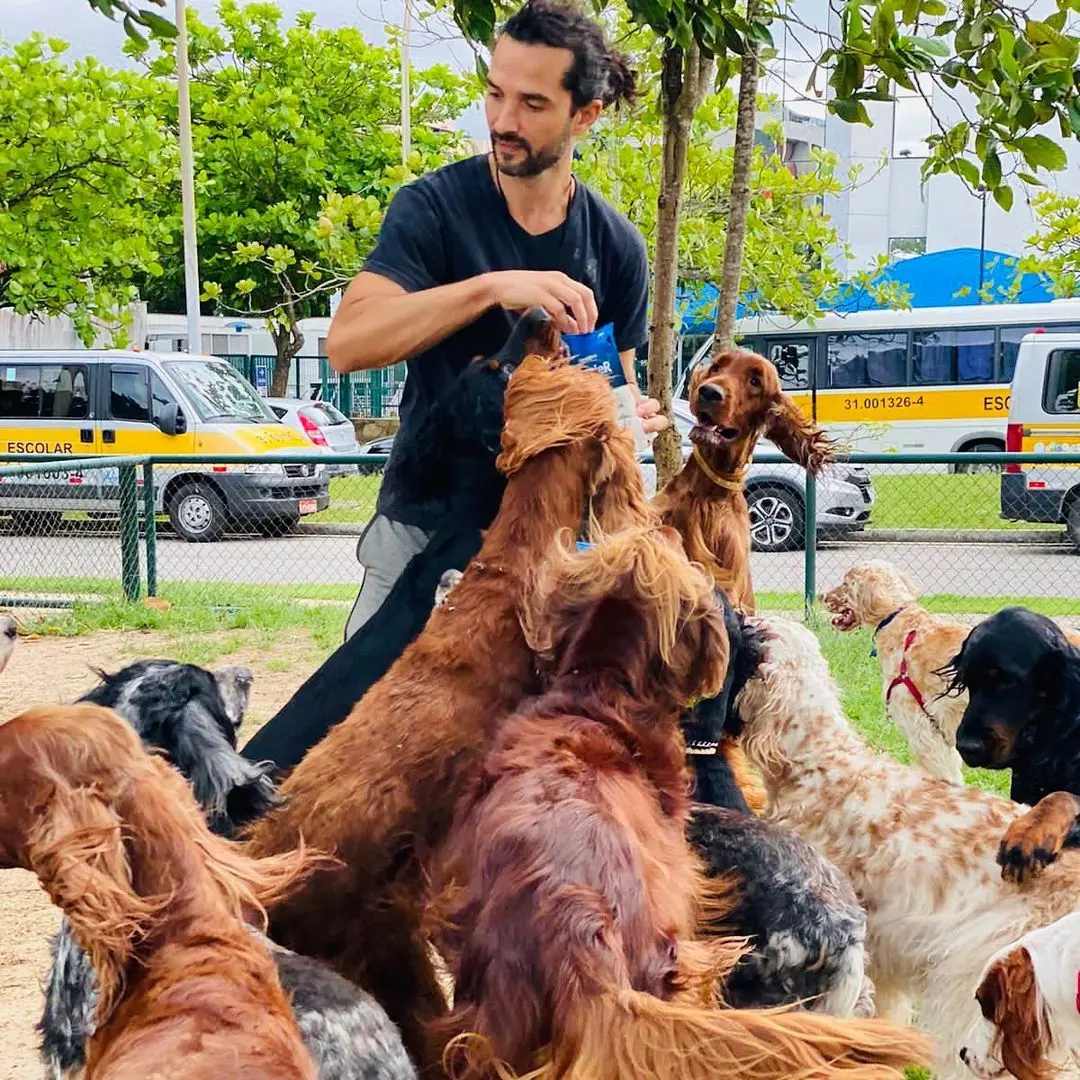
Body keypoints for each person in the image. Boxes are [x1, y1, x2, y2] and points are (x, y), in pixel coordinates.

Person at [328, 0, 666, 641]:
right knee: (373, 730)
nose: (503, 121)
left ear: (585, 116)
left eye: (533, 104)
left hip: (554, 541)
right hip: (425, 522)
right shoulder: (431, 208)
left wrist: (630, 420)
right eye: (494, 93)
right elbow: (348, 343)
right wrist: (488, 288)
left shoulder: (617, 247)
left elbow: (616, 404)